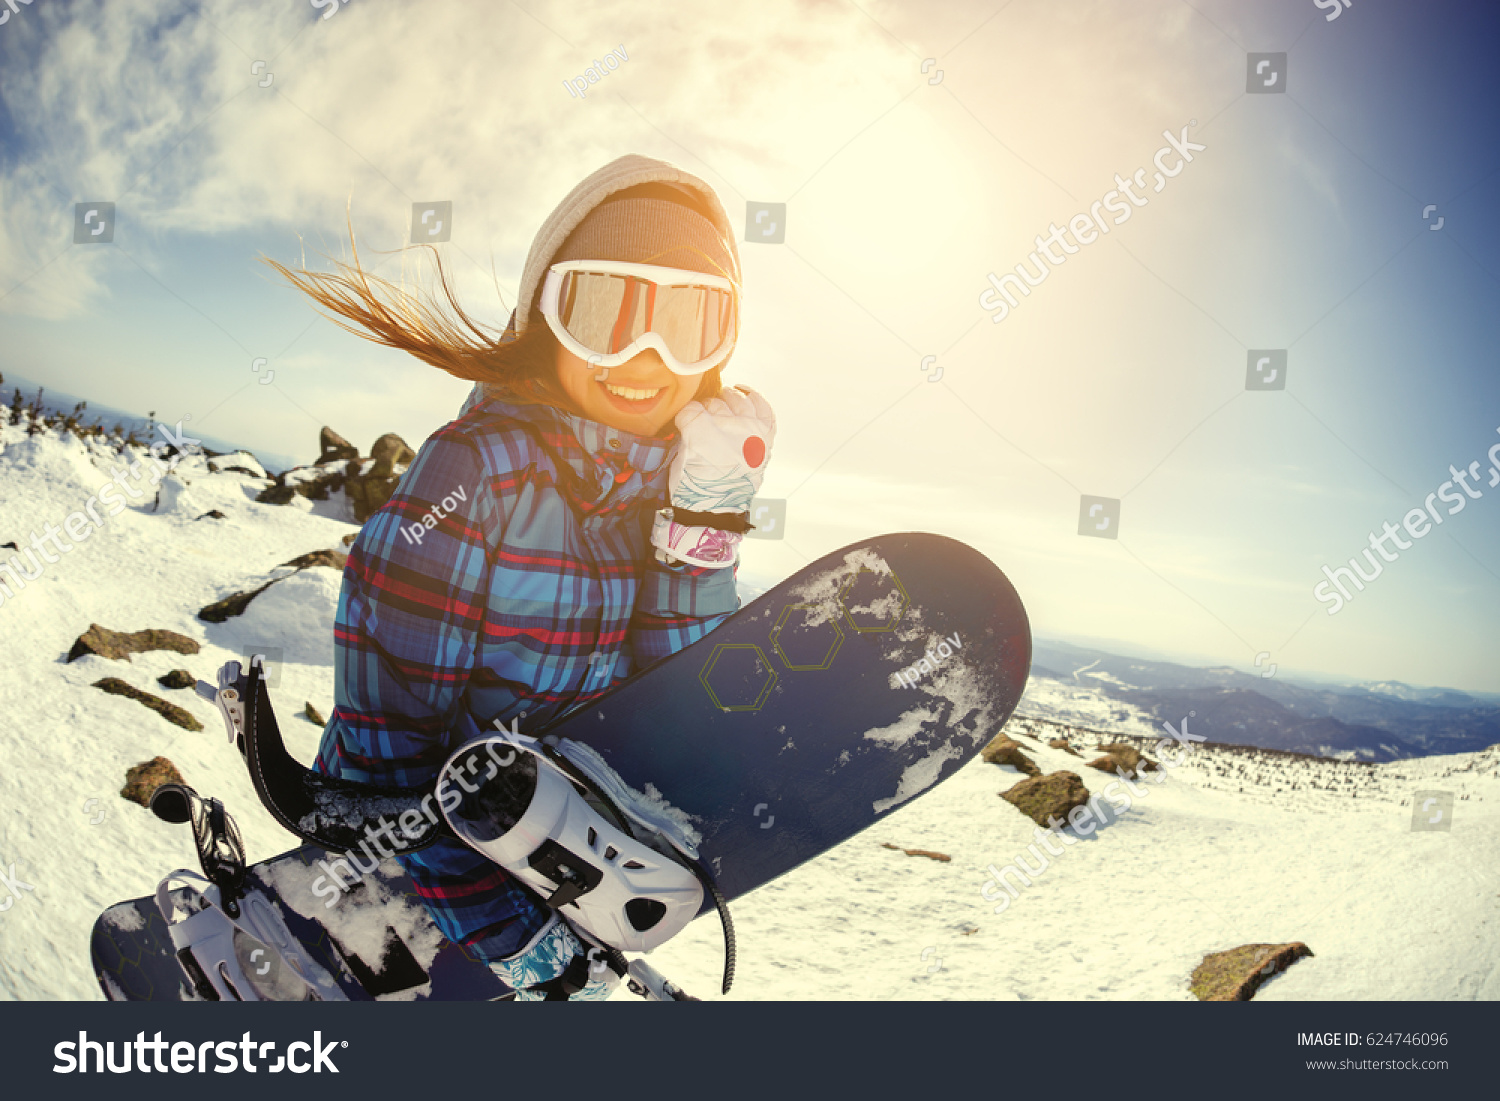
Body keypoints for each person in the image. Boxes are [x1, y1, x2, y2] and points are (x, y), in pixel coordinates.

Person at [264, 154, 775, 1000]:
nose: (646, 355)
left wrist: (704, 521)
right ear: (547, 315)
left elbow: (674, 693)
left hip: (561, 874)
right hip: (402, 891)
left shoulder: (667, 487)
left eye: (690, 322)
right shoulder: (476, 473)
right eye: (605, 309)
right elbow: (386, 746)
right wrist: (500, 924)